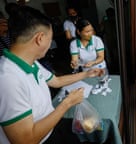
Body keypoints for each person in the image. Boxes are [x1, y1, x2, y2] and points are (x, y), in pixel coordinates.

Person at [0, 6, 103, 144]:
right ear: (40, 38)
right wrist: (68, 103)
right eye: (50, 39)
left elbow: (56, 81)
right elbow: (25, 140)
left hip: (52, 125)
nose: (50, 44)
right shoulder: (7, 79)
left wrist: (87, 74)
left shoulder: (31, 62)